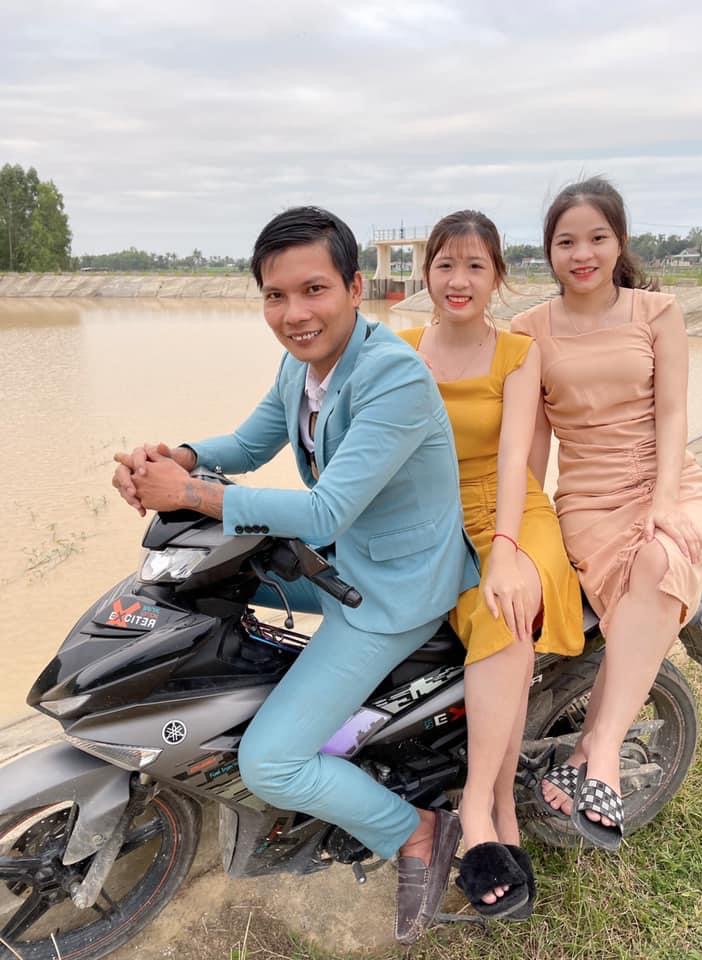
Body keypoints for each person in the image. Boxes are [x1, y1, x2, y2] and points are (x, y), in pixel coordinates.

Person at [111, 206, 479, 945]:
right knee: (202, 585)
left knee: (273, 763)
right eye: (275, 296)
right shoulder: (304, 365)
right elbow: (250, 443)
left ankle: (414, 830)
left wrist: (192, 494)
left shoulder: (394, 378)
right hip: (341, 559)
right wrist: (181, 457)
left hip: (392, 586)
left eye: (313, 290)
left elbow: (325, 509)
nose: (294, 314)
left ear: (354, 287)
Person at [511, 177, 702, 850]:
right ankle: (590, 750)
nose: (582, 254)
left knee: (659, 556)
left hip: (668, 479)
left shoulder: (657, 313)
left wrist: (663, 501)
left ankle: (596, 751)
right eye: (566, 242)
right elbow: (533, 446)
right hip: (589, 499)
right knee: (647, 573)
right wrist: (517, 532)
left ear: (619, 241)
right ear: (549, 251)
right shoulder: (529, 330)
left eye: (597, 238)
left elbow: (674, 414)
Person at [398, 210, 584, 918]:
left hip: (513, 511)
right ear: (427, 273)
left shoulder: (517, 352)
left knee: (506, 604)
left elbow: (513, 461)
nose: (459, 279)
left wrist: (504, 551)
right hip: (438, 516)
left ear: (497, 276)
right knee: (495, 620)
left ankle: (475, 808)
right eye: (446, 264)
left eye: (476, 265)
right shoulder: (402, 349)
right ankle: (504, 806)